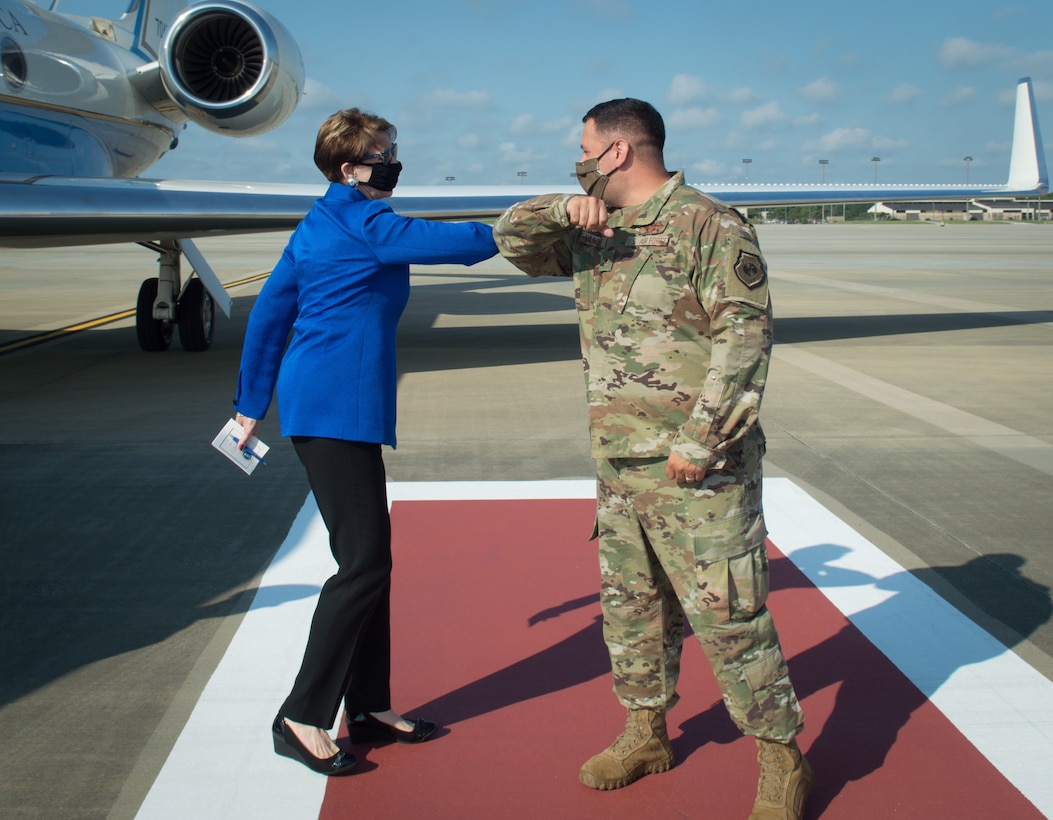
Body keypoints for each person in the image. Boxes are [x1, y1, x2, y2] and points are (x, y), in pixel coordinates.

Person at [493, 98, 812, 818]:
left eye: (582, 148)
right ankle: (645, 732)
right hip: (618, 464)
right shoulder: (595, 230)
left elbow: (744, 341)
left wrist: (700, 443)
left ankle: (780, 758)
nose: (575, 160)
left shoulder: (710, 225)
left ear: (616, 152)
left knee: (729, 617)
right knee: (630, 611)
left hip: (699, 469)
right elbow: (510, 241)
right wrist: (557, 207)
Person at [233, 108, 498, 776]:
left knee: (370, 560)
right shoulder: (366, 223)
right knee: (362, 565)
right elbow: (461, 243)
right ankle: (300, 715)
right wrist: (532, 222)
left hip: (320, 409)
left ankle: (370, 707)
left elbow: (269, 315)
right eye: (382, 153)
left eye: (392, 149)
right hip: (335, 413)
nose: (393, 161)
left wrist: (248, 407)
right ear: (350, 167)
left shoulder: (318, 222)